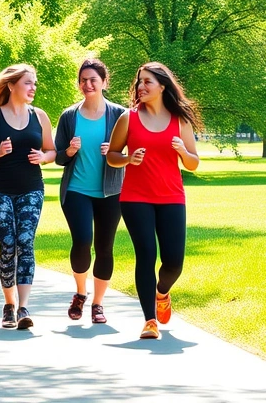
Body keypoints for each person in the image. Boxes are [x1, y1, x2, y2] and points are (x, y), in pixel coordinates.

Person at [106, 61, 201, 340]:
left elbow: (194, 163)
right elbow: (112, 155)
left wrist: (183, 151)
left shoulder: (179, 120)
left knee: (173, 262)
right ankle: (149, 321)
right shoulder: (128, 118)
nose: (141, 86)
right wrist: (127, 159)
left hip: (171, 196)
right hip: (136, 197)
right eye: (139, 81)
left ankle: (162, 293)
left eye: (147, 81)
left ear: (162, 85)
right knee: (146, 255)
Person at [0, 64, 56, 330]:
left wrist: (43, 157)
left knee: (25, 242)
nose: (32, 88)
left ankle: (23, 307)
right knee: (8, 244)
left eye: (34, 83)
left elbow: (53, 151)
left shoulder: (40, 116)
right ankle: (8, 304)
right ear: (11, 85)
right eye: (28, 83)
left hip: (31, 188)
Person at [53, 59, 126, 324]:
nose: (88, 84)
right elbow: (58, 156)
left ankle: (97, 304)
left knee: (105, 247)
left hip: (111, 192)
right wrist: (69, 152)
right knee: (82, 241)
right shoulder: (69, 116)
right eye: (83, 80)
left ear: (105, 82)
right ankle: (80, 293)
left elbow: (135, 151)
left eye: (93, 79)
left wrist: (118, 153)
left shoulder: (120, 114)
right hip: (76, 190)